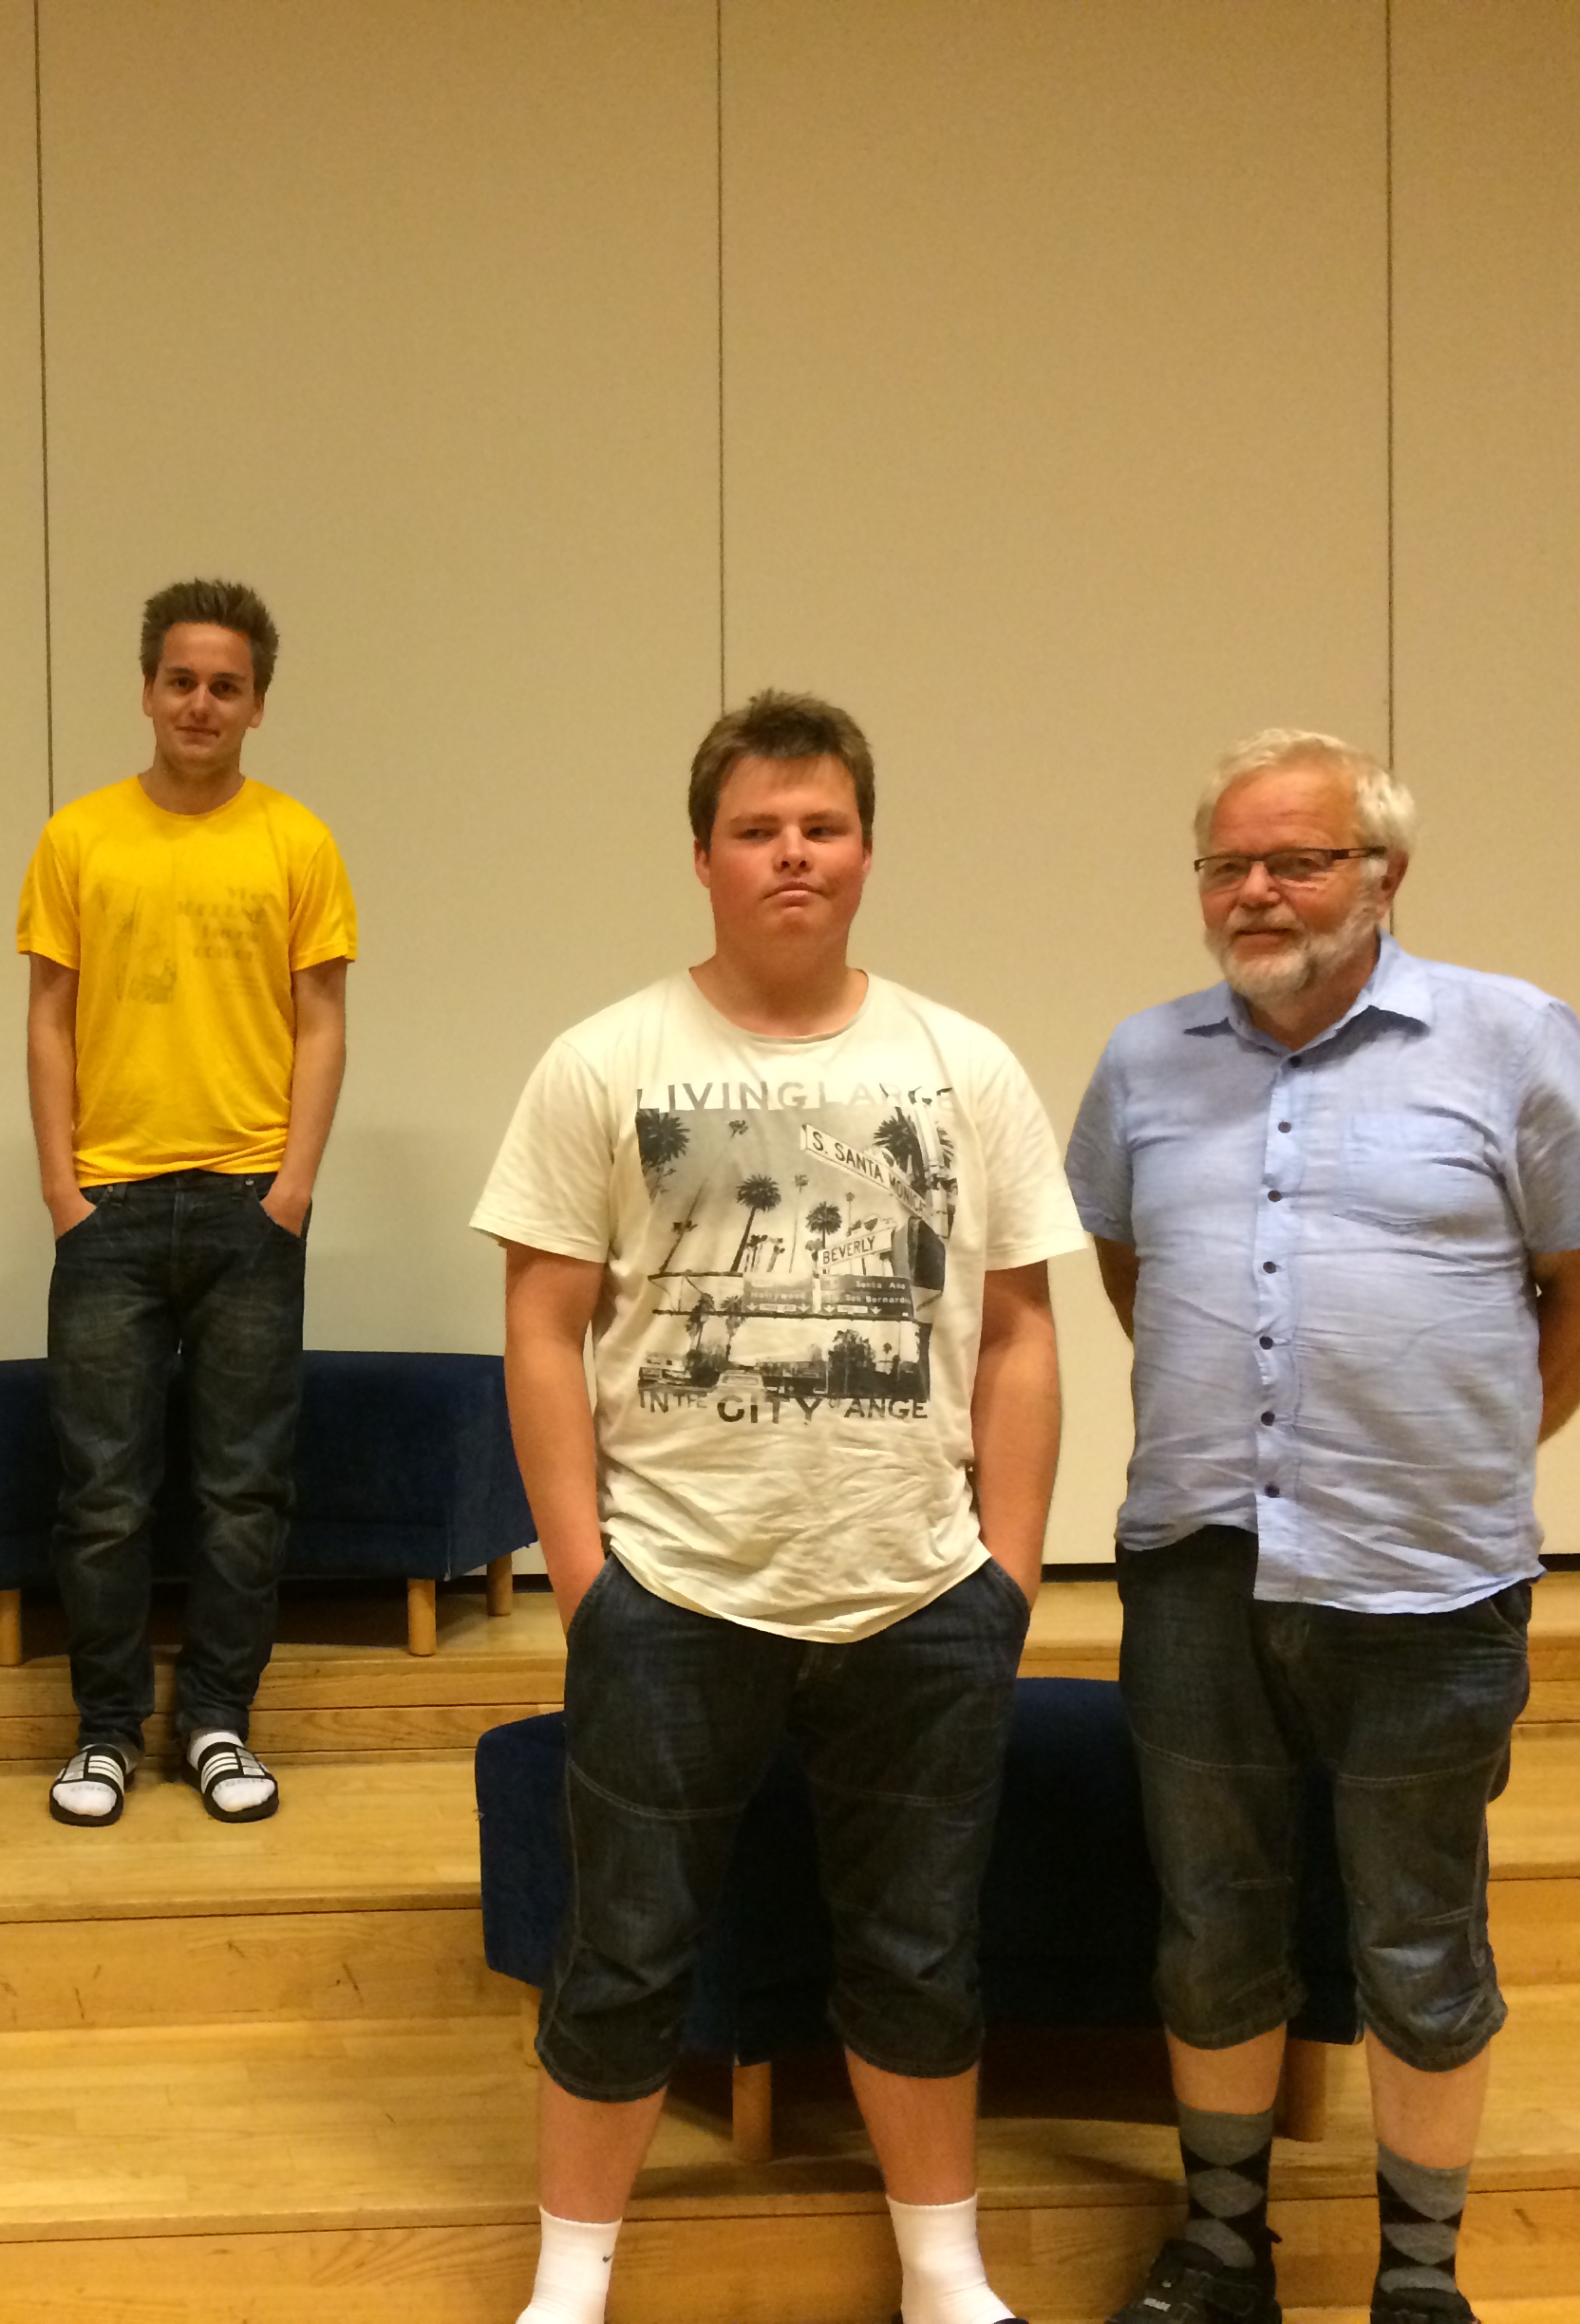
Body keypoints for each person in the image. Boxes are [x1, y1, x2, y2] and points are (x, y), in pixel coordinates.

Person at [475, 690, 1082, 2324]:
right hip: (671, 1591)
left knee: (919, 1951)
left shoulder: (966, 1065)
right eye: (758, 830)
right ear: (703, 858)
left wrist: (1008, 1575)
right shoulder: (605, 1062)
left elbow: (1021, 1334)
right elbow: (540, 1327)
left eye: (822, 827)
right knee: (623, 1953)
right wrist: (587, 1576)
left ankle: (943, 2275)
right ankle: (568, 2287)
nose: (792, 855)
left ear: (867, 850)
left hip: (921, 1595)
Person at [1068, 730, 1580, 2324]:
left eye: (1299, 860)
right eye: (1227, 864)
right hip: (1198, 1570)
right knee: (1213, 1926)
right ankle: (1222, 2249)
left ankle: (1418, 2277)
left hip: (1428, 1586)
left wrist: (1467, 1449)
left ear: (1384, 875)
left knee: (1418, 1937)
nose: (1256, 891)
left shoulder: (1511, 1038)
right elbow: (1132, 1272)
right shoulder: (1142, 1061)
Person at [15, 578, 355, 1827]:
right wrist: (62, 1190)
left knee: (242, 1493)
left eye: (226, 685)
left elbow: (322, 1024)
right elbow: (49, 1019)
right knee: (102, 1497)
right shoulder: (78, 839)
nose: (200, 703)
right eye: (181, 680)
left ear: (258, 703)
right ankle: (106, 1733)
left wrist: (292, 1189)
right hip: (108, 1208)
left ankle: (217, 1722)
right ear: (147, 690)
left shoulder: (298, 843)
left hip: (249, 1205)